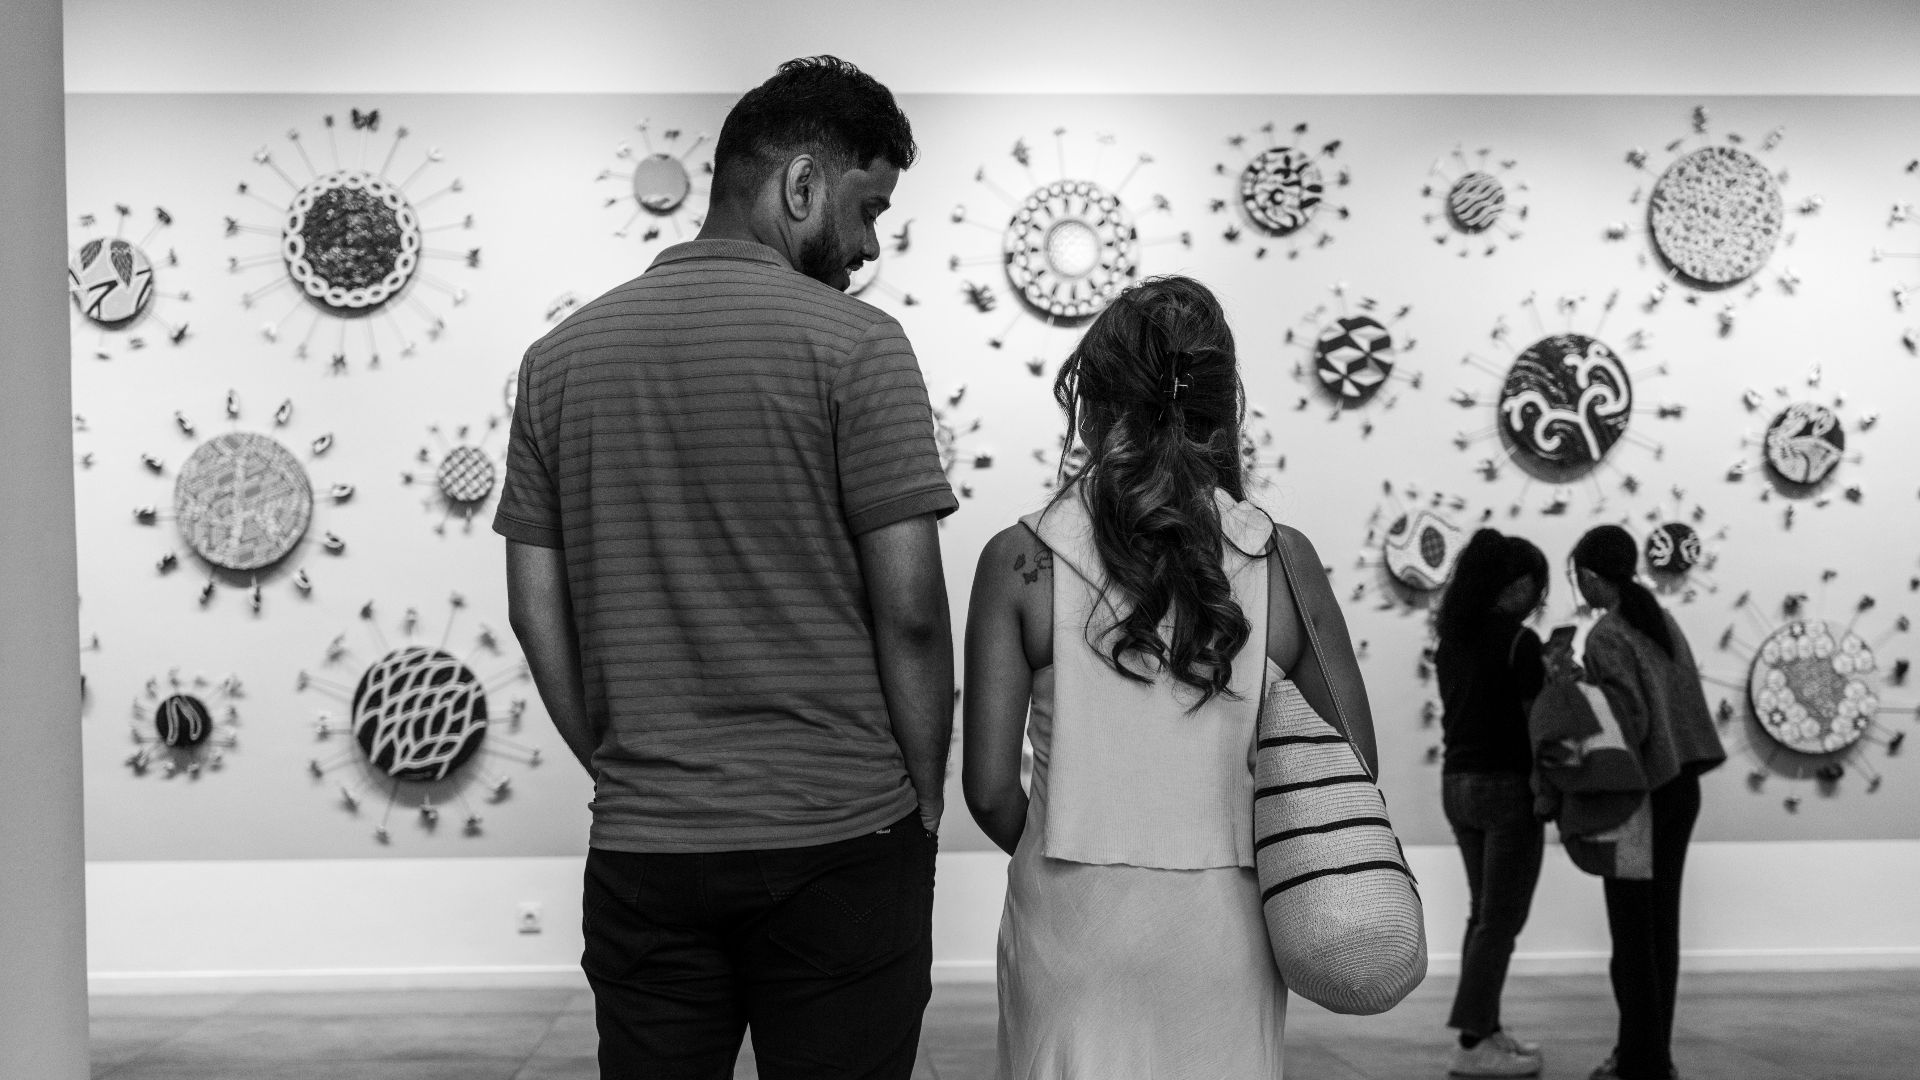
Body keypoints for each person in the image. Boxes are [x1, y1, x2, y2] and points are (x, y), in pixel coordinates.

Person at [495, 56, 957, 1080]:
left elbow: (536, 612)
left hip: (646, 848)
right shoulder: (861, 347)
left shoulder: (557, 360)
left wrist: (626, 764)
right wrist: (924, 797)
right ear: (800, 186)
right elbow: (914, 610)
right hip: (840, 834)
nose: (871, 245)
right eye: (869, 207)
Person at [962, 275, 1375, 1080]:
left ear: (1091, 406)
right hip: (1228, 923)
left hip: (1069, 920)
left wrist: (1063, 850)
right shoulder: (1281, 559)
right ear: (1224, 411)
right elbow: (1351, 758)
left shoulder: (1020, 560)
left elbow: (985, 788)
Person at [1568, 525, 1726, 1080]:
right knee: (1661, 927)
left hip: (1641, 794)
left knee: (1632, 934)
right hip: (1682, 787)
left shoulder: (1607, 635)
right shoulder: (1659, 618)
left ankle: (1642, 1061)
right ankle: (1650, 1055)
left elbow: (1627, 720)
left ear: (1588, 575)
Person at [1433, 529, 1552, 1078]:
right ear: (1517, 584)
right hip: (1508, 787)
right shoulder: (1519, 642)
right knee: (1500, 918)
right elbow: (1539, 725)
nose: (1537, 597)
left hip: (1458, 784)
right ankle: (1473, 1040)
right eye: (1535, 585)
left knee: (1484, 914)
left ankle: (1486, 1028)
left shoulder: (1453, 638)